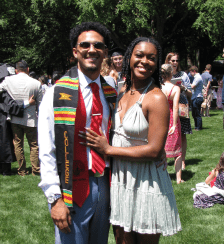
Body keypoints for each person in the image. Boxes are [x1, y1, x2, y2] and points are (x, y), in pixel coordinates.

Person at [81, 37, 181, 244]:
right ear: (129, 58)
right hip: (120, 179)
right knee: (122, 240)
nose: (144, 61)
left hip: (146, 180)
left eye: (151, 58)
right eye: (139, 55)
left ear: (157, 63)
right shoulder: (121, 93)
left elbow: (154, 150)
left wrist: (108, 150)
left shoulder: (156, 98)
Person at [38, 22, 117, 244]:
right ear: (75, 52)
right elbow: (47, 148)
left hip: (105, 184)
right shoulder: (56, 94)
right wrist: (55, 199)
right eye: (85, 45)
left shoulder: (111, 94)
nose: (91, 50)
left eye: (98, 45)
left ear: (105, 53)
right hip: (72, 185)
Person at [0, 60, 42, 176]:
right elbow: (41, 104)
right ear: (28, 69)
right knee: (34, 145)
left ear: (16, 70)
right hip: (31, 119)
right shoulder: (36, 83)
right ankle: (36, 169)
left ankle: (22, 170)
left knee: (18, 144)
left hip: (15, 119)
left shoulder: (8, 81)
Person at [0, 79, 35, 176]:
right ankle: (6, 170)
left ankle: (1, 169)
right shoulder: (2, 94)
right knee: (4, 144)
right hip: (3, 123)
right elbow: (11, 106)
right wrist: (27, 103)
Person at [165, 52, 192, 169]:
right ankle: (166, 157)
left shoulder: (183, 75)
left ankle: (183, 160)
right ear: (168, 61)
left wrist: (183, 88)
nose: (175, 63)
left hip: (181, 105)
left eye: (177, 60)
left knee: (183, 133)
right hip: (167, 106)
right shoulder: (164, 74)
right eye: (173, 61)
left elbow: (190, 93)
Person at [161, 64, 183, 184]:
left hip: (160, 117)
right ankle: (178, 179)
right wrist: (174, 124)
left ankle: (162, 176)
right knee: (177, 152)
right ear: (171, 74)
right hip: (171, 118)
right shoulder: (175, 88)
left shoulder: (157, 87)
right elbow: (175, 108)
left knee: (161, 147)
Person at [190, 66, 203, 131]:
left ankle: (199, 127)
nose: (190, 74)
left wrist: (186, 84)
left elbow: (192, 86)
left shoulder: (197, 77)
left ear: (194, 71)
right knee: (194, 113)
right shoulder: (196, 77)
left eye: (191, 72)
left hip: (197, 97)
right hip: (195, 97)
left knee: (197, 113)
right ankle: (196, 126)